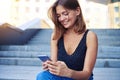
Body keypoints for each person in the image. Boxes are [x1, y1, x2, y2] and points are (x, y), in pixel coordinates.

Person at [36, 0, 98, 80]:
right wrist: (51, 66)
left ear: (77, 11)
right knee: (42, 76)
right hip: (62, 78)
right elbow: (55, 66)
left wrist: (68, 72)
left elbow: (87, 74)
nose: (61, 19)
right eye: (58, 16)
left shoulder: (90, 36)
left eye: (65, 14)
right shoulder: (56, 36)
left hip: (81, 78)